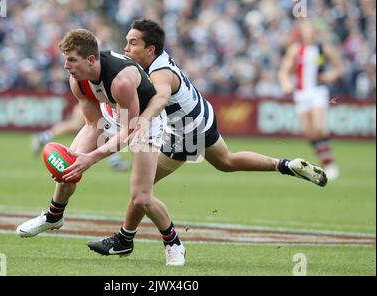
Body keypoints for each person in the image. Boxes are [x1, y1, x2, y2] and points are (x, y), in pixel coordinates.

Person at [85, 19, 328, 261]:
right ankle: (284, 165)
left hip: (185, 131)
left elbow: (160, 98)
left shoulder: (159, 73)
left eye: (133, 43)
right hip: (201, 115)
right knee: (227, 162)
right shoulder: (151, 61)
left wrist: (143, 119)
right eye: (127, 42)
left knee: (141, 190)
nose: (126, 48)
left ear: (150, 49)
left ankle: (128, 239)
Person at [16, 28, 186, 266]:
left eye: (72, 60)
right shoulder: (77, 79)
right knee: (69, 166)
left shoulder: (121, 81)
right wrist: (79, 160)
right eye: (65, 59)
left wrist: (92, 157)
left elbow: (130, 130)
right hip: (111, 113)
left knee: (141, 197)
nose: (66, 66)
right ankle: (54, 216)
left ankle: (173, 243)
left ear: (91, 60)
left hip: (143, 123)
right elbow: (93, 123)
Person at [278, 19, 343, 180]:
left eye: (311, 30)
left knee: (319, 128)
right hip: (301, 93)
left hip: (318, 91)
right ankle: (324, 159)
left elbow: (338, 68)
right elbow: (283, 71)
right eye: (305, 30)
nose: (308, 33)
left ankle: (329, 163)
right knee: (308, 132)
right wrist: (286, 84)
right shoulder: (296, 49)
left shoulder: (323, 48)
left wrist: (331, 75)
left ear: (315, 31)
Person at [30, 103, 131, 171]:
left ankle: (115, 160)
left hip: (100, 103)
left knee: (109, 128)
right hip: (95, 103)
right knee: (76, 125)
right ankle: (42, 137)